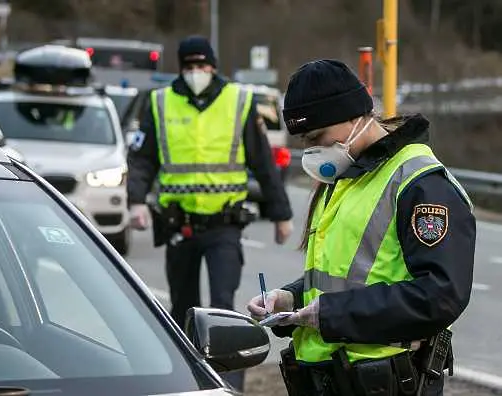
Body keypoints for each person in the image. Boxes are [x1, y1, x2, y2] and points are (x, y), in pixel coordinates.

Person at [246, 59, 476, 396]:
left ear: (354, 116)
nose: (313, 149)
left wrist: (331, 315)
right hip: (331, 378)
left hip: (388, 382)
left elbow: (440, 296)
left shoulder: (420, 183)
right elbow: (341, 275)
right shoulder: (345, 177)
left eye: (317, 136)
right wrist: (290, 299)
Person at [127, 35, 294, 392]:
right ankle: (188, 383)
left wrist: (281, 214)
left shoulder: (237, 101)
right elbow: (142, 159)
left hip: (224, 225)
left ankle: (228, 386)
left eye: (202, 66)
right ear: (180, 68)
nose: (196, 72)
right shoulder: (160, 103)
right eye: (189, 66)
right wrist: (136, 200)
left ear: (214, 67)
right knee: (183, 310)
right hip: (180, 225)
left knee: (223, 309)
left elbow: (263, 162)